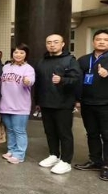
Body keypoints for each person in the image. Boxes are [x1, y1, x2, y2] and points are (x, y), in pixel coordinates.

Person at [73, 29, 108, 181]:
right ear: (93, 41)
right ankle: (95, 161)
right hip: (87, 103)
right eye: (98, 39)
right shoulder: (84, 60)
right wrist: (77, 99)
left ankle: (107, 165)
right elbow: (78, 80)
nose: (102, 42)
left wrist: (106, 70)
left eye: (106, 39)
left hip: (107, 104)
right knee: (92, 133)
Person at [34, 34, 82, 175]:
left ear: (63, 44)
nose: (52, 45)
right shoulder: (42, 61)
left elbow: (76, 79)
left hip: (63, 103)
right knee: (50, 131)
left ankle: (66, 161)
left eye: (56, 42)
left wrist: (62, 80)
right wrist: (37, 102)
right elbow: (38, 83)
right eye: (49, 42)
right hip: (46, 102)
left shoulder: (70, 60)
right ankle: (53, 155)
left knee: (64, 133)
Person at [0, 44, 35, 164]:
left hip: (20, 106)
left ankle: (19, 154)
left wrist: (27, 81)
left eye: (21, 53)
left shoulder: (28, 68)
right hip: (5, 104)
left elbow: (30, 81)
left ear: (26, 55)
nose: (18, 55)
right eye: (16, 52)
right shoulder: (6, 67)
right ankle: (11, 150)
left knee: (19, 130)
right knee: (10, 129)